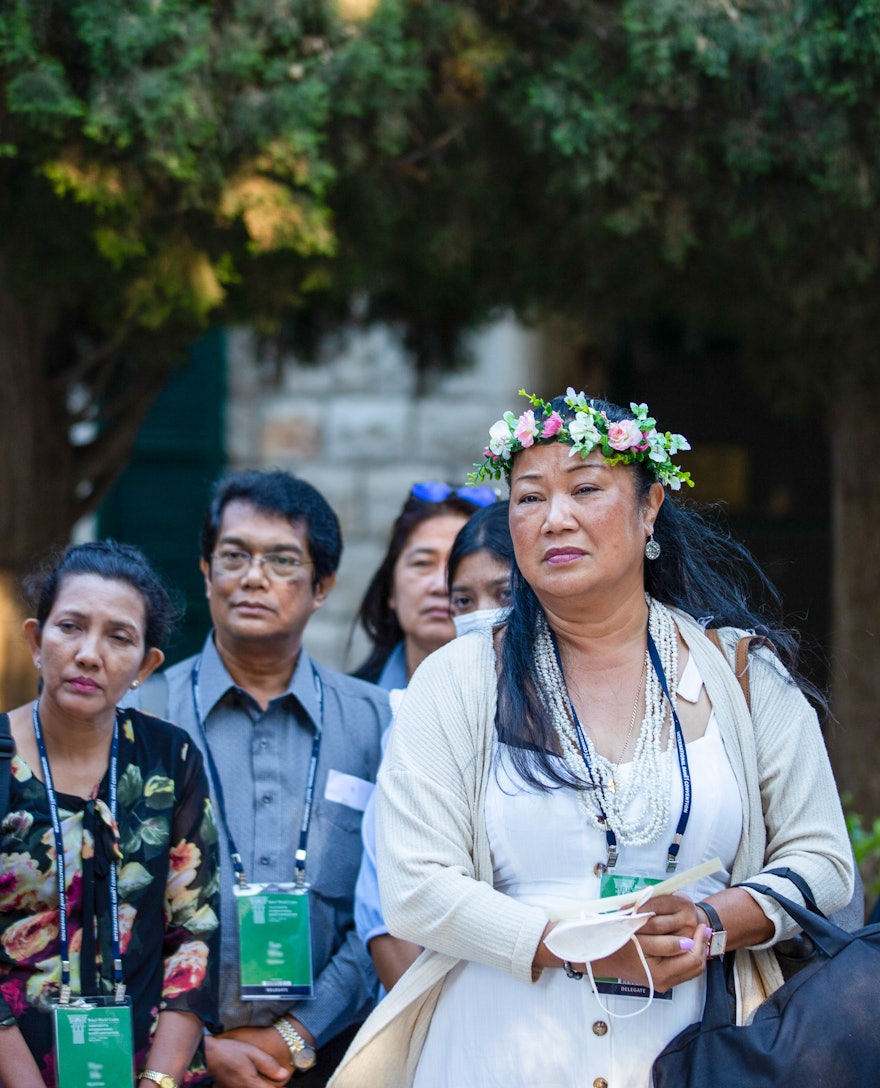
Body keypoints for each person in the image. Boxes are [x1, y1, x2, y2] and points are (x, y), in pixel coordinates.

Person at [330, 389, 854, 1088]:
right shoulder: (458, 677)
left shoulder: (741, 675)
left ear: (649, 508)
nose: (556, 519)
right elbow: (415, 889)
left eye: (585, 488)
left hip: (694, 1055)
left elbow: (823, 862)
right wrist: (573, 945)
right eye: (529, 498)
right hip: (494, 1053)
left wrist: (710, 922)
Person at [127, 469, 388, 1088]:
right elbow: (115, 908)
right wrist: (198, 1047)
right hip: (170, 1064)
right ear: (206, 569)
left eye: (282, 560)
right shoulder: (143, 712)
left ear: (322, 585)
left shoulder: (374, 720)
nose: (253, 577)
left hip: (336, 1059)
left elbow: (391, 904)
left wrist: (294, 1035)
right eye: (234, 556)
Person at [0, 541, 221, 1088]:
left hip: (145, 1072)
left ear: (146, 664)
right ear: (35, 639)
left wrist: (159, 1081)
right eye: (70, 626)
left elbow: (195, 929)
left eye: (118, 637)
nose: (89, 654)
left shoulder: (170, 758)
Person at [355, 502, 514, 992]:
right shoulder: (408, 719)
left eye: (504, 594)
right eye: (462, 600)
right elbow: (383, 908)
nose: (482, 615)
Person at [352, 482, 498, 688]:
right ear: (391, 589)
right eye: (422, 563)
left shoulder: (532, 709)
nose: (440, 586)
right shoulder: (347, 708)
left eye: (457, 566)